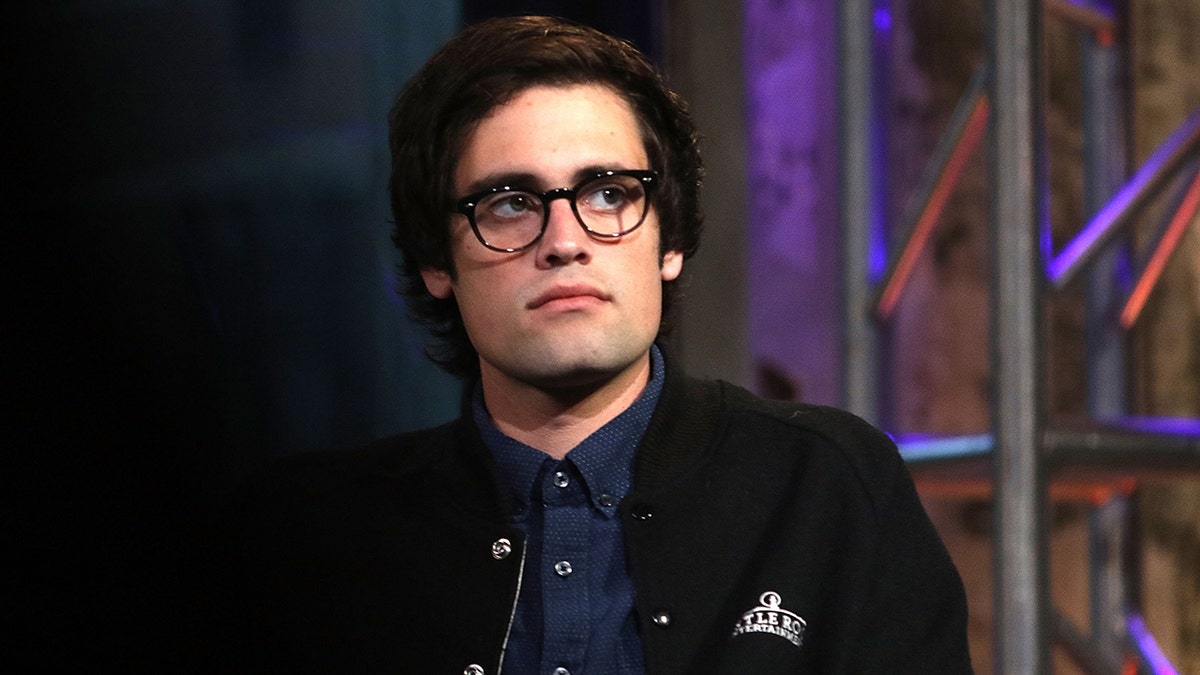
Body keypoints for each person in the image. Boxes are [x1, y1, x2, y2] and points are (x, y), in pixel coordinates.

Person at [233, 15, 972, 674]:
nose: (565, 241)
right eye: (511, 203)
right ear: (437, 262)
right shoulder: (313, 536)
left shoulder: (827, 488)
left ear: (670, 238)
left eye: (609, 193)